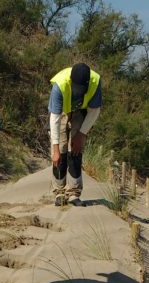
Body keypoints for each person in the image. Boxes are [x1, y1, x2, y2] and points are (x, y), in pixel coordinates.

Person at [49, 62, 102, 206]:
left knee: (76, 152)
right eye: (76, 88)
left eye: (82, 89)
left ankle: (73, 194)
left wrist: (81, 134)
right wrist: (55, 148)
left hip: (81, 112)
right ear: (71, 81)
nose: (79, 92)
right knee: (60, 153)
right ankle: (59, 193)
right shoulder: (59, 86)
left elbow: (94, 111)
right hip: (62, 113)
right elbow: (54, 117)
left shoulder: (95, 82)